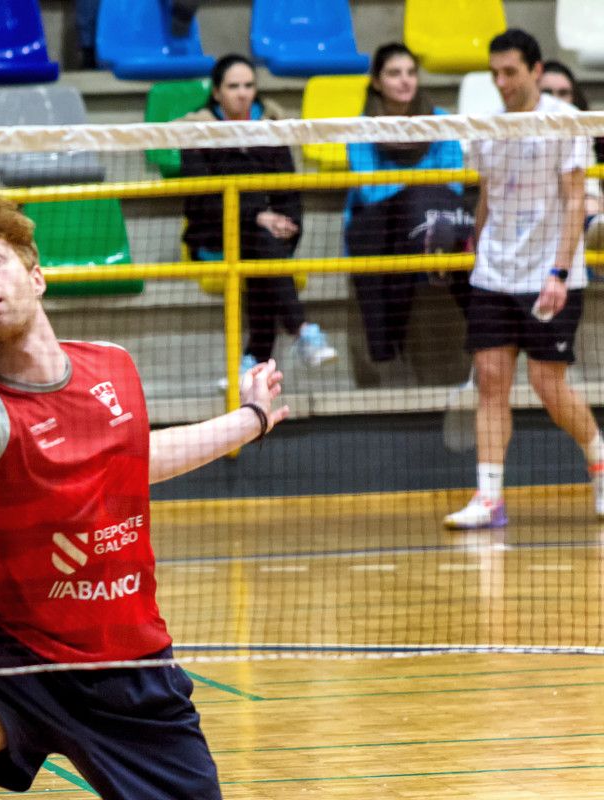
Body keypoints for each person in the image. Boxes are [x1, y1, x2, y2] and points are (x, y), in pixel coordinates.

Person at [0, 198, 288, 799]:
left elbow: (135, 460)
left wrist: (250, 417)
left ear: (36, 276)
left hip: (129, 665)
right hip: (14, 654)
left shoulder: (114, 367)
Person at [444, 29, 604, 529]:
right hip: (494, 273)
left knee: (547, 384)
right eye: (495, 73)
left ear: (535, 71)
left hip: (549, 275)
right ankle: (489, 497)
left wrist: (558, 271)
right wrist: (477, 246)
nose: (501, 82)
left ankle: (600, 460)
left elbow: (575, 199)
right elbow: (488, 195)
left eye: (510, 72)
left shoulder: (566, 122)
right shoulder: (486, 126)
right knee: (491, 381)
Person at [180, 53, 336, 390]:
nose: (242, 93)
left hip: (266, 235)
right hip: (214, 234)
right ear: (217, 92)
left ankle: (253, 362)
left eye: (249, 85)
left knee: (263, 249)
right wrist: (257, 216)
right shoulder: (197, 132)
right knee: (261, 245)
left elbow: (289, 191)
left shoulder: (272, 127)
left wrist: (288, 224)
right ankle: (302, 330)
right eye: (233, 86)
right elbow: (203, 200)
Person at [344, 43, 473, 373]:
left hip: (435, 211)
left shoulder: (441, 119)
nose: (405, 81)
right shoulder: (362, 127)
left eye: (411, 73)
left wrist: (418, 193)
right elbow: (370, 189)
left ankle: (486, 337)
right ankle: (430, 248)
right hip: (380, 222)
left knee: (462, 227)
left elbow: (454, 182)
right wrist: (417, 190)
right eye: (394, 73)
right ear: (376, 82)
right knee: (396, 223)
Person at [538, 60, 604, 250]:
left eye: (563, 93)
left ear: (574, 97)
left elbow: (591, 194)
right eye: (548, 93)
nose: (556, 100)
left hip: (582, 215)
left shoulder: (585, 135)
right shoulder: (515, 135)